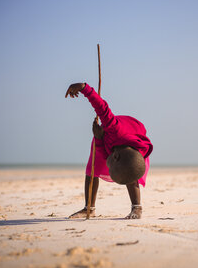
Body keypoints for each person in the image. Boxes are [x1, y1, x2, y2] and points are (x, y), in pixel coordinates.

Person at [65, 82, 153, 219]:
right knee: (92, 170)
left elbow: (123, 163)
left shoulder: (135, 154)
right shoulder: (114, 128)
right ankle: (89, 208)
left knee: (130, 171)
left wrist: (99, 138)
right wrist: (84, 88)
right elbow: (102, 107)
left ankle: (137, 207)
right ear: (115, 156)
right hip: (116, 134)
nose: (107, 169)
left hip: (124, 143)